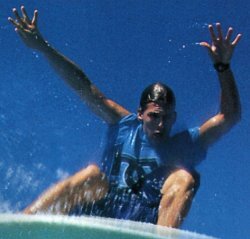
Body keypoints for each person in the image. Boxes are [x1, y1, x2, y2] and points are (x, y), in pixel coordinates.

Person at [8, 6, 241, 228]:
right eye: (154, 116)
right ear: (140, 114)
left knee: (184, 179)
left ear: (174, 117)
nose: (161, 124)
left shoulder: (185, 144)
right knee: (92, 176)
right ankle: (24, 223)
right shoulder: (124, 125)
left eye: (167, 118)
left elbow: (229, 116)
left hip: (145, 223)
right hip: (101, 212)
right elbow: (84, 87)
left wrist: (223, 67)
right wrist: (43, 47)